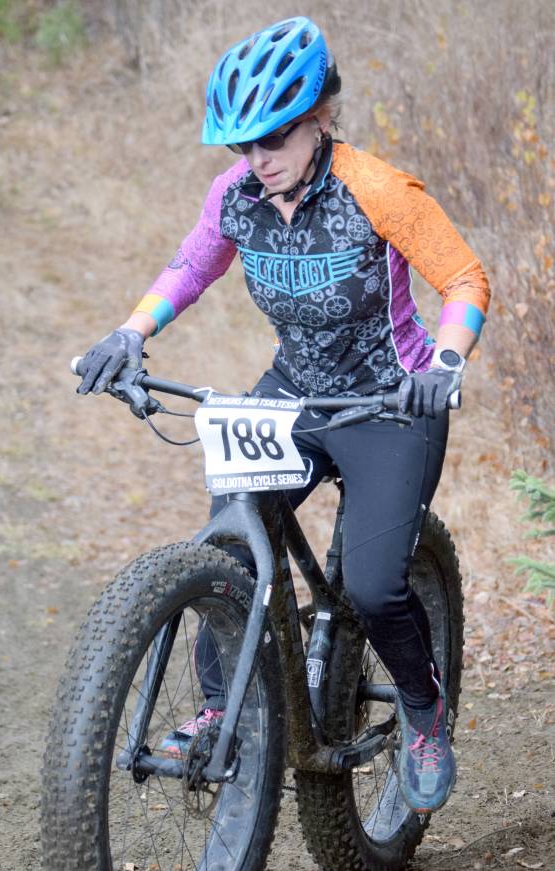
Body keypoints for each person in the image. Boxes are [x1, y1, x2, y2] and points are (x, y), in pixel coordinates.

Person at [76, 17, 490, 814]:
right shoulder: (236, 197)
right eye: (242, 145)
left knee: (371, 588)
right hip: (293, 392)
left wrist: (443, 365)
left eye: (273, 138)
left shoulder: (378, 190)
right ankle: (216, 707)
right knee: (233, 541)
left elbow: (462, 279)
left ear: (320, 120)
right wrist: (131, 332)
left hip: (388, 402)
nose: (257, 159)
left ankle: (423, 711)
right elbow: (193, 264)